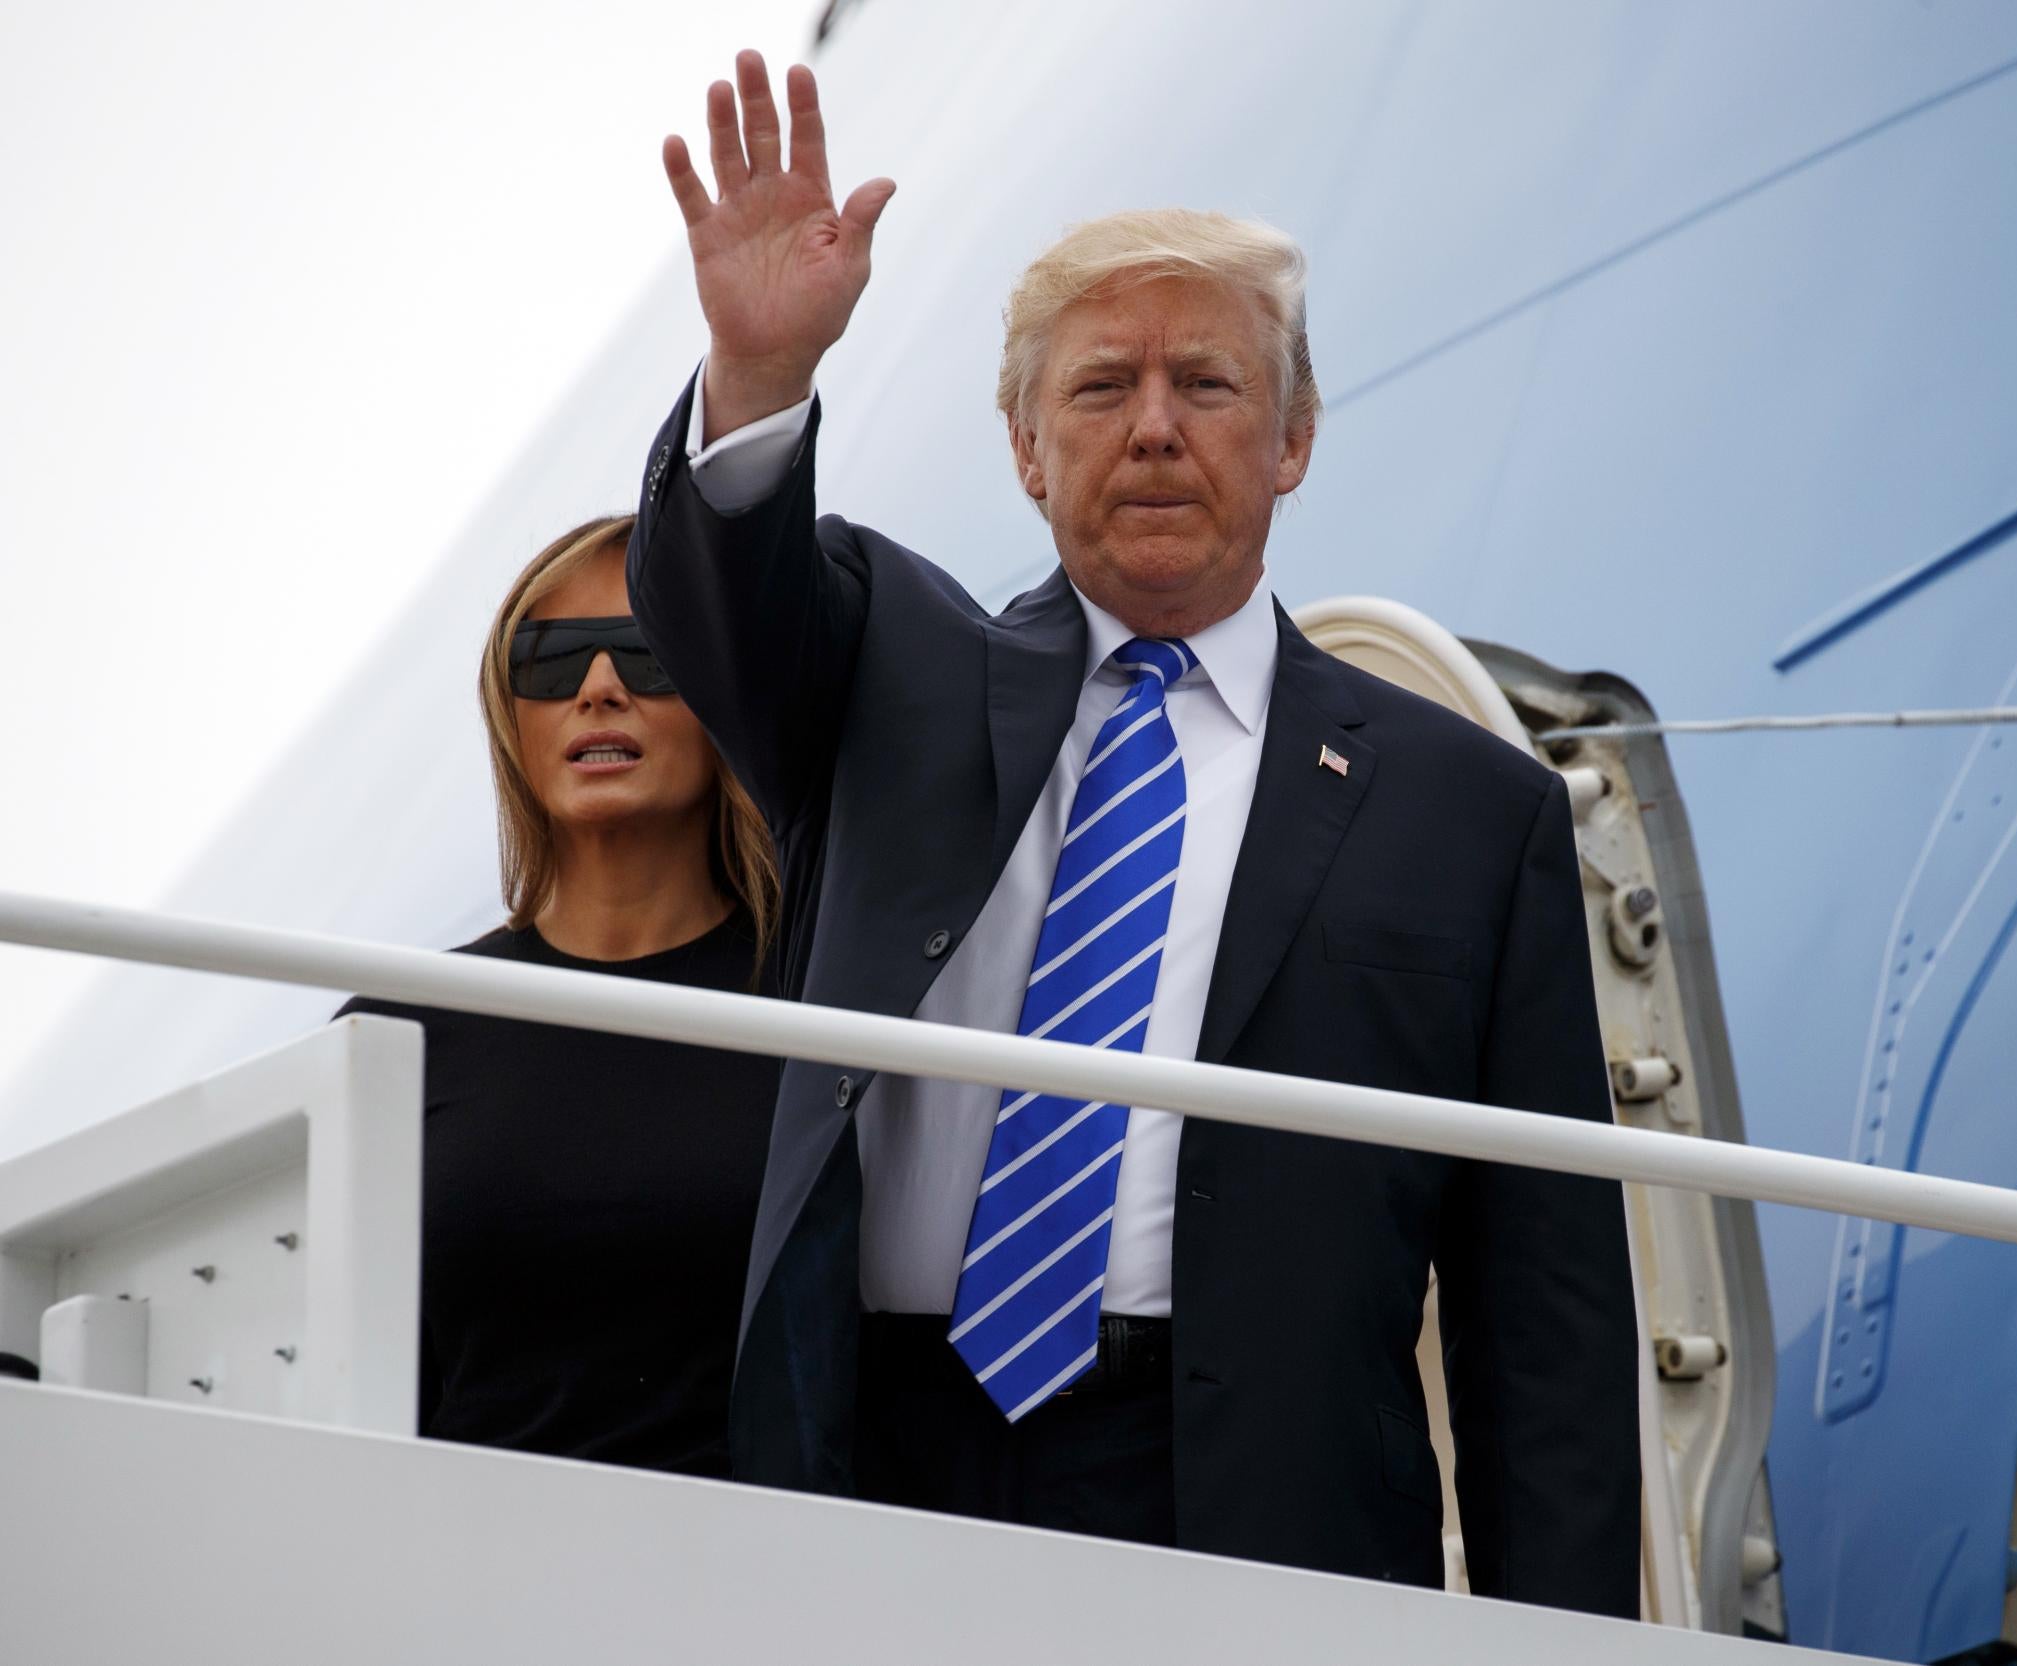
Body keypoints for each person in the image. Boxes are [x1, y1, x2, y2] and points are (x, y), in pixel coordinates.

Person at [630, 52, 1639, 1613]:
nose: (1154, 428)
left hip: (1265, 1501)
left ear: (1292, 440)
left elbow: (1543, 1313)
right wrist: (757, 378)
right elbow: (724, 607)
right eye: (1101, 388)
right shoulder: (888, 670)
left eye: (1209, 385)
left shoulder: (1468, 811)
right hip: (894, 1460)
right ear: (1028, 450)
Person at [340, 514, 784, 1479]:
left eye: (650, 651)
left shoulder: (825, 1008)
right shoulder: (400, 1029)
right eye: (550, 660)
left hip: (772, 1589)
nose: (598, 689)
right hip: (468, 1587)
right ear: (512, 719)